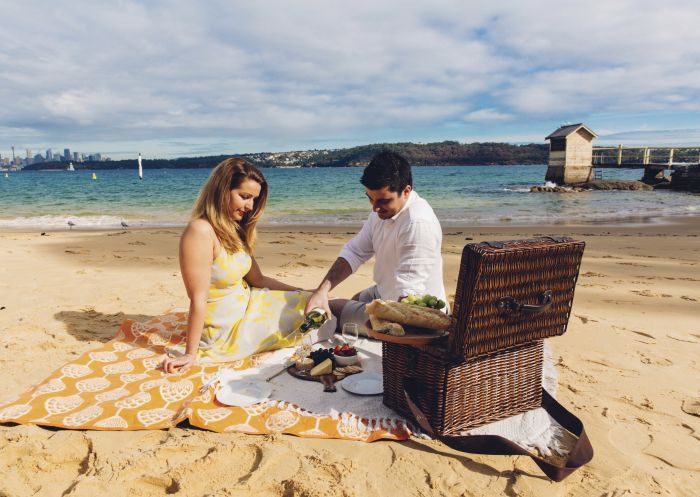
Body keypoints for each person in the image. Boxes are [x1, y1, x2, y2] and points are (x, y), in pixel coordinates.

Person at [161, 158, 332, 373]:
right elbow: (198, 297)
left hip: (251, 303)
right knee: (322, 318)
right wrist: (190, 354)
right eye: (244, 197)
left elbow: (258, 280)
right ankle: (371, 319)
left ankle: (370, 313)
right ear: (221, 190)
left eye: (254, 199)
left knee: (319, 305)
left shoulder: (232, 229)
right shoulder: (200, 231)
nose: (250, 206)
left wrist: (306, 292)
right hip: (229, 330)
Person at [304, 150, 447, 333]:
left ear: (406, 191)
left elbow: (409, 296)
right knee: (355, 298)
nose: (374, 208)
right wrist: (321, 290)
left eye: (383, 201)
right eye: (370, 198)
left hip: (416, 314)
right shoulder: (381, 212)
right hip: (384, 291)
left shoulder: (417, 223)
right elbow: (355, 252)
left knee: (333, 309)